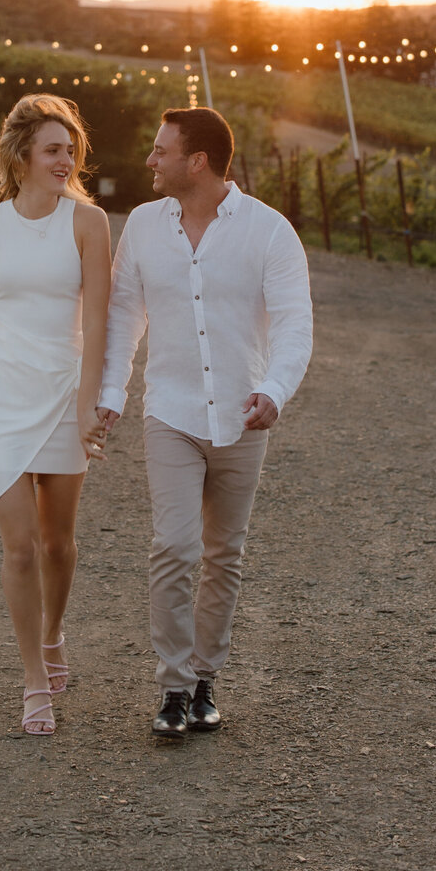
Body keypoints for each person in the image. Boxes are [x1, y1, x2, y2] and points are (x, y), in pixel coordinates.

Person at [97, 107, 312, 738]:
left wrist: (275, 389)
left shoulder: (269, 232)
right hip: (170, 411)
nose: (150, 161)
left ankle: (204, 680)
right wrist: (113, 389)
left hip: (244, 417)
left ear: (198, 162)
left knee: (224, 554)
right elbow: (123, 315)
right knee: (174, 545)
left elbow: (295, 324)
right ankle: (172, 687)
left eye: (161, 151)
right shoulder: (141, 225)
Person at [0, 95, 111, 735]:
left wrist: (90, 402)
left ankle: (53, 634)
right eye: (54, 148)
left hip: (62, 391)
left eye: (71, 148)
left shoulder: (89, 223)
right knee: (19, 547)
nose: (66, 159)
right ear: (21, 155)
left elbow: (100, 316)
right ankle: (32, 682)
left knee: (57, 541)